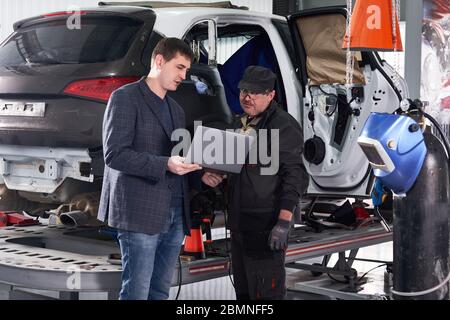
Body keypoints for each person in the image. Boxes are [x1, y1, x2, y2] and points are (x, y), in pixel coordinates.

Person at [97, 38, 219, 300]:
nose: (183, 76)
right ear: (159, 61)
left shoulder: (175, 109)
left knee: (160, 292)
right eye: (179, 67)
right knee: (136, 294)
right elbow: (115, 155)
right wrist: (165, 164)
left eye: (186, 70)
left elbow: (176, 158)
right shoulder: (125, 98)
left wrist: (200, 175)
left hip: (175, 214)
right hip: (140, 213)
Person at [207, 65, 305, 300]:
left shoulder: (283, 126)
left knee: (265, 293)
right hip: (240, 224)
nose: (247, 97)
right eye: (243, 91)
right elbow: (235, 169)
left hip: (267, 225)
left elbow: (296, 176)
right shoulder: (239, 124)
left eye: (255, 92)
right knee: (244, 292)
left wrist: (283, 222)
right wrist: (216, 176)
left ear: (271, 95)